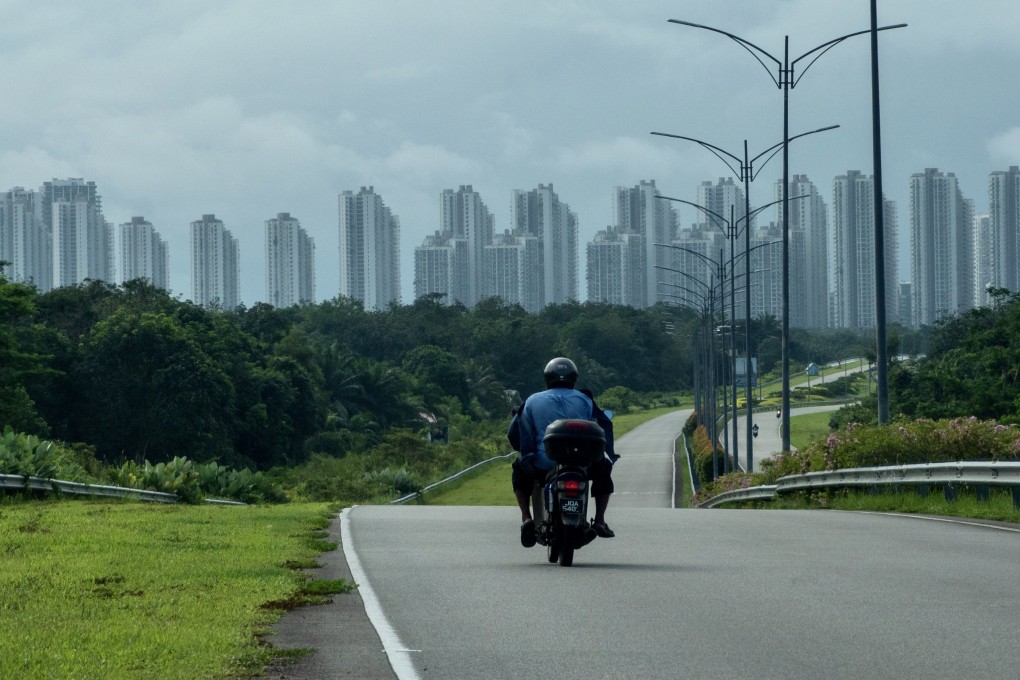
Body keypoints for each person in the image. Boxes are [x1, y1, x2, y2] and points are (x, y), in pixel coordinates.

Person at [509, 357, 616, 548]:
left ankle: (526, 519)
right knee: (605, 469)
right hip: (583, 462)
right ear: (574, 378)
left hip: (544, 462)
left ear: (547, 378)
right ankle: (599, 520)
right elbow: (599, 428)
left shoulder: (532, 401)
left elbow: (516, 434)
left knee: (519, 470)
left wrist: (527, 452)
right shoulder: (584, 400)